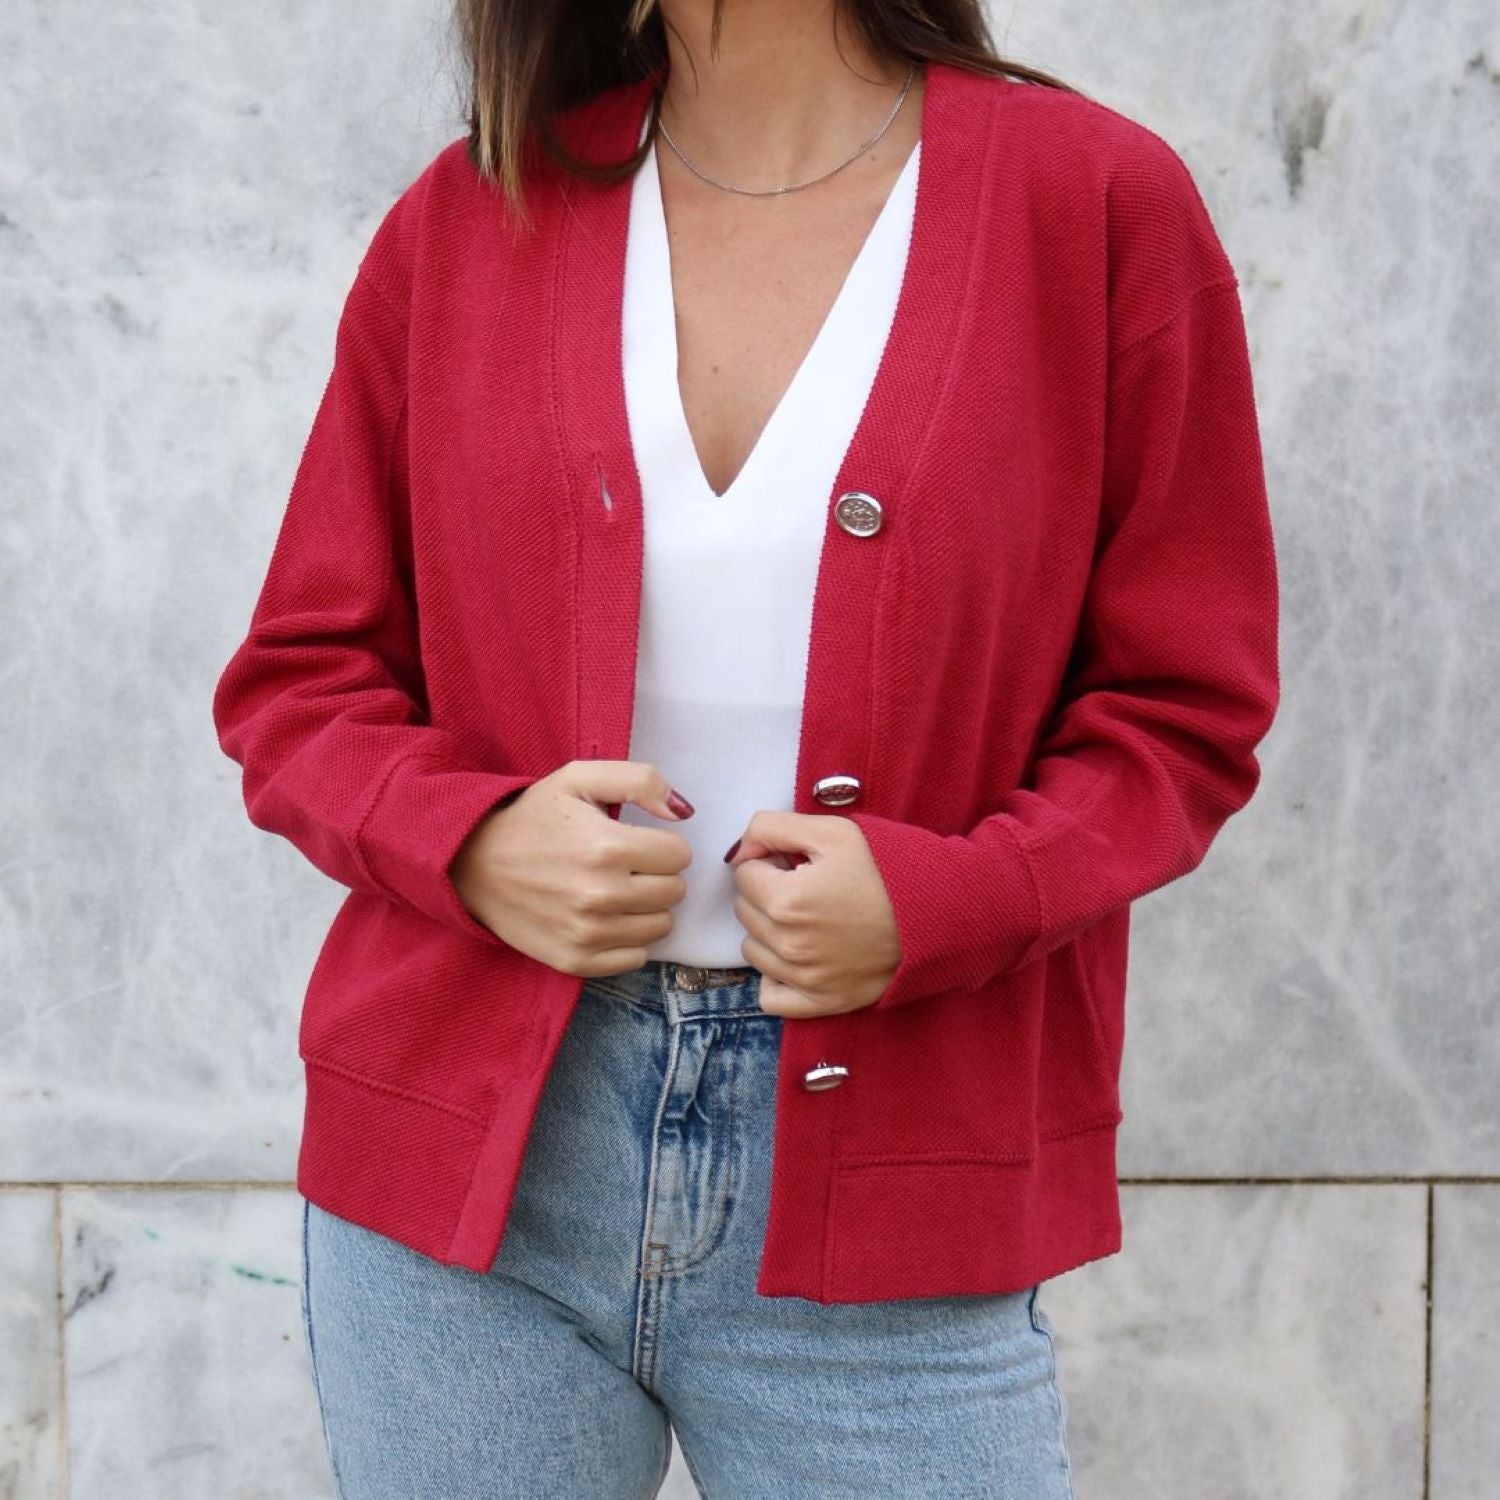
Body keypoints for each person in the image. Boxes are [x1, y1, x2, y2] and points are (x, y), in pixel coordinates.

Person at [211, 0, 1280, 1493]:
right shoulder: (472, 216)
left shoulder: (1093, 205)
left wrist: (951, 899)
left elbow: (1185, 705)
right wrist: (474, 840)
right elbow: (299, 682)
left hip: (893, 1178)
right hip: (468, 1198)